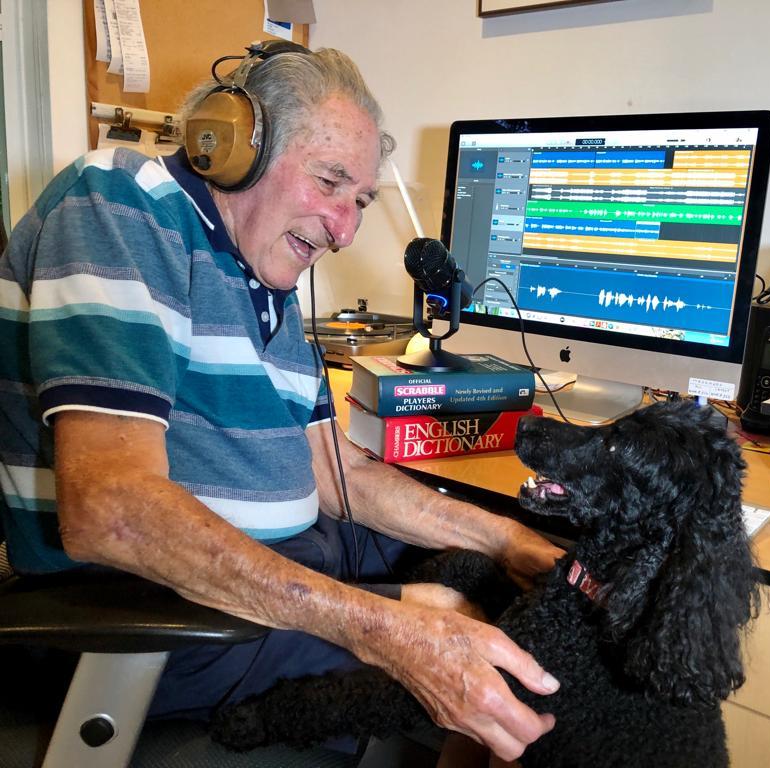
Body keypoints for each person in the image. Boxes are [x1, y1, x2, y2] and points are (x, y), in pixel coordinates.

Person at [0, 44, 563, 762]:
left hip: (277, 573)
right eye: (330, 181)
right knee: (502, 667)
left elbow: (341, 476)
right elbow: (111, 511)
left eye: (359, 201)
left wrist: (502, 538)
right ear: (233, 146)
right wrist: (387, 624)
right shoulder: (119, 202)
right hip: (161, 610)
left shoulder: (265, 279)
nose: (345, 228)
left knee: (525, 589)